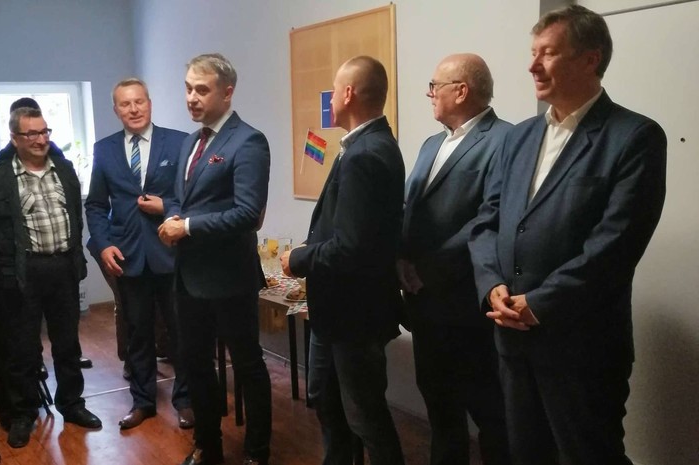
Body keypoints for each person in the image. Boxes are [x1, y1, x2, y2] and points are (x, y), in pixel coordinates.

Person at [468, 5, 667, 465]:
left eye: (548, 53)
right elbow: (486, 221)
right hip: (513, 343)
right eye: (532, 53)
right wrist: (491, 285)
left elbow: (615, 246)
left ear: (590, 59)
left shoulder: (634, 137)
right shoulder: (518, 138)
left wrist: (539, 303)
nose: (532, 66)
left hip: (582, 349)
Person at [280, 56, 405, 465]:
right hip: (336, 313)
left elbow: (352, 247)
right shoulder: (360, 146)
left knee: (365, 417)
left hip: (355, 316)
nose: (330, 99)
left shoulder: (366, 153)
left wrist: (299, 258)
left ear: (348, 94)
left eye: (334, 90)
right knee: (327, 402)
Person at [399, 54, 512, 465]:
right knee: (440, 410)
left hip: (466, 307)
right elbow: (411, 209)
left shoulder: (506, 140)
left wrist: (426, 270)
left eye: (435, 85)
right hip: (424, 304)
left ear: (461, 90)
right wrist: (401, 259)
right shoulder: (432, 144)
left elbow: (491, 219)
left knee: (490, 414)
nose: (429, 94)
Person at [158, 53, 271, 465]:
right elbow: (182, 198)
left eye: (201, 90)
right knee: (196, 365)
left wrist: (186, 227)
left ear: (227, 92)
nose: (191, 97)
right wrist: (174, 216)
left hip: (230, 277)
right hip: (188, 277)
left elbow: (248, 213)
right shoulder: (191, 142)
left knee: (247, 365)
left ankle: (257, 451)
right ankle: (208, 445)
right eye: (188, 88)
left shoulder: (248, 141)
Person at [0, 107, 102, 449]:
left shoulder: (64, 169)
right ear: (14, 138)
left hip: (63, 268)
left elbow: (75, 216)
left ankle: (72, 405)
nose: (40, 139)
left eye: (44, 131)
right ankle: (23, 414)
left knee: (67, 344)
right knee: (22, 347)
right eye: (31, 133)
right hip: (22, 273)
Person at [85, 77, 191, 430]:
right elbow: (96, 205)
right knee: (138, 334)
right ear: (116, 110)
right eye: (125, 104)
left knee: (181, 332)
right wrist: (103, 244)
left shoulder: (178, 142)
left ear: (149, 103)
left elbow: (192, 197)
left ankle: (186, 400)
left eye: (139, 101)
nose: (133, 109)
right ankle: (143, 401)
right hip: (127, 256)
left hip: (170, 253)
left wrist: (167, 207)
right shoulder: (104, 149)